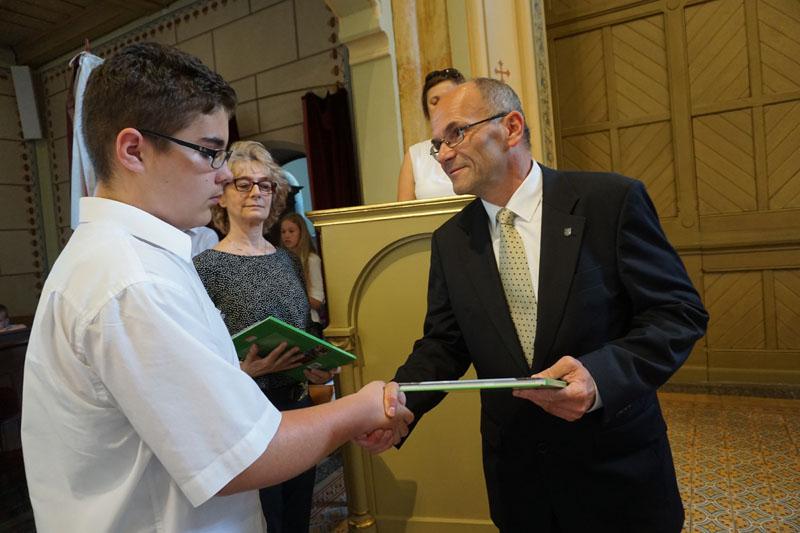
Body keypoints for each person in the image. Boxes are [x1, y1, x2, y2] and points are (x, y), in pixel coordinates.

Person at [21, 42, 412, 533]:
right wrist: (359, 408)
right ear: (133, 150)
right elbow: (240, 458)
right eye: (209, 152)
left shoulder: (139, 257)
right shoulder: (132, 280)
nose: (225, 173)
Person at [359, 78, 708, 532]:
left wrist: (600, 377)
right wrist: (402, 401)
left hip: (616, 472)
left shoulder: (610, 202)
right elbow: (445, 343)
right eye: (436, 144)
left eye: (456, 133)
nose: (442, 155)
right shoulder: (451, 241)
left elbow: (677, 313)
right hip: (520, 484)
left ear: (511, 127)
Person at [193, 140, 332, 532]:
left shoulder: (287, 260)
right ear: (222, 196)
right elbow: (197, 356)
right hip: (247, 411)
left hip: (297, 407)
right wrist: (244, 370)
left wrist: (318, 365)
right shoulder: (205, 268)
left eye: (265, 185)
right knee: (265, 519)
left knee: (297, 515)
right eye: (243, 184)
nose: (256, 192)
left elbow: (304, 329)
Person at [396, 67, 465, 201]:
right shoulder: (415, 155)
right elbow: (404, 210)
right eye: (435, 102)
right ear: (427, 111)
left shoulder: (476, 142)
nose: (443, 106)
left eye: (450, 97)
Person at [279, 212, 326, 336]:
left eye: (291, 231)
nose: (286, 235)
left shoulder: (311, 260)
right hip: (285, 323)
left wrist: (292, 293)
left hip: (308, 324)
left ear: (302, 233)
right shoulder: (280, 260)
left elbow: (318, 301)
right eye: (283, 232)